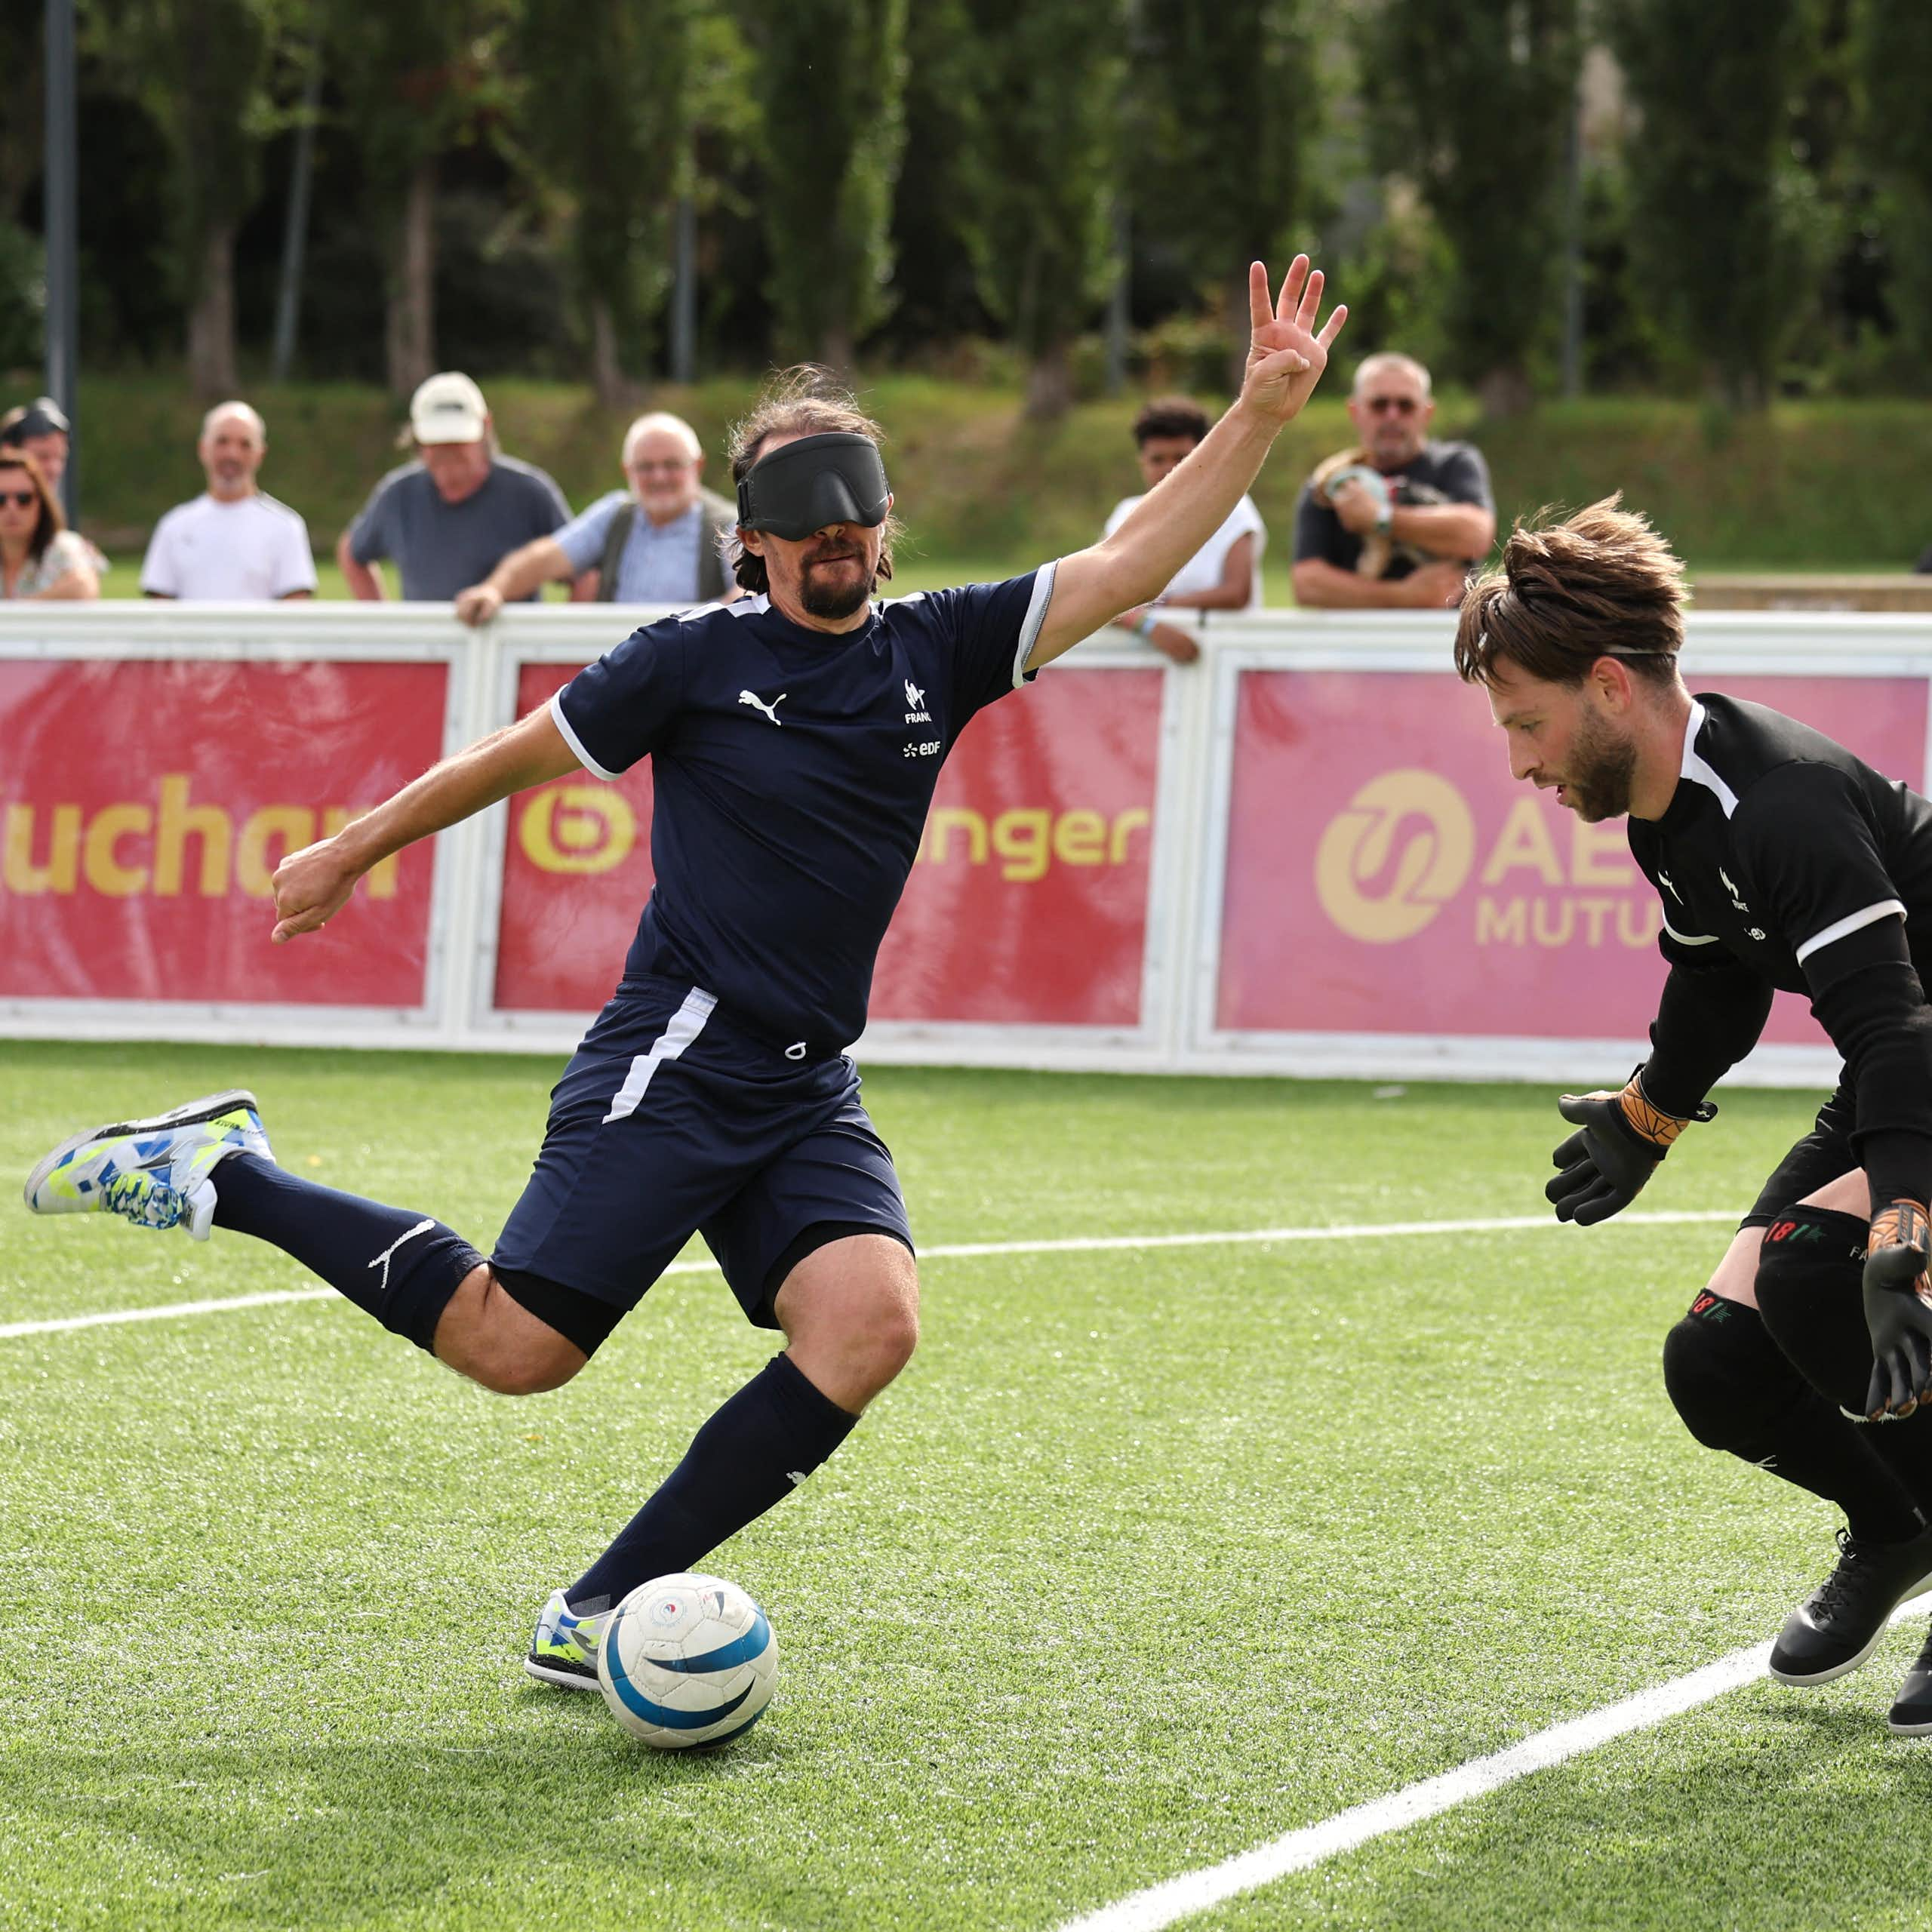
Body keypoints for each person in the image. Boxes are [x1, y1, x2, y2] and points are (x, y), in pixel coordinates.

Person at [25, 257, 1346, 1691]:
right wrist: (349, 850)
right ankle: (231, 1172)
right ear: (754, 541)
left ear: (885, 526)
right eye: (798, 507)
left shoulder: (939, 648)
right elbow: (509, 758)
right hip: (681, 1055)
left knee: (869, 1322)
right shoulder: (689, 660)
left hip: (805, 1081)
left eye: (856, 505)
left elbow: (1134, 556)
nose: (835, 531)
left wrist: (1262, 414)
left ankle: (595, 1609)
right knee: (514, 1350)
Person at [1453, 495, 1932, 1737]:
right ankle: (1898, 1530)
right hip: (1906, 1065)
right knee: (1716, 1365)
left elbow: (1892, 1030)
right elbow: (1719, 977)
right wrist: (1647, 1114)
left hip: (1912, 1059)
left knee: (1824, 1274)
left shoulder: (1782, 804)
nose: (1518, 762)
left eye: (1528, 724)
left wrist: (1905, 1221)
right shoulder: (1670, 815)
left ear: (1608, 685)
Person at [454, 412, 738, 626]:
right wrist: (494, 590)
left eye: (672, 465)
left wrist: (696, 633)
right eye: (646, 467)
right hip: (619, 670)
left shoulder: (726, 523)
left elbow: (746, 594)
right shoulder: (615, 514)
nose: (659, 477)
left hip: (692, 671)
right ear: (628, 471)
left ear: (697, 466)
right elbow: (544, 558)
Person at [337, 372, 574, 604]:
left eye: (458, 441)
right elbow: (353, 551)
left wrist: (565, 637)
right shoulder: (397, 495)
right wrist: (386, 624)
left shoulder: (529, 492)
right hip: (425, 642)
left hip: (512, 642)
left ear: (486, 427)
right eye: (436, 442)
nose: (448, 450)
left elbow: (584, 566)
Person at [1292, 351, 1494, 609]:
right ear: (1355, 411)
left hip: (1447, 644)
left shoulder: (1455, 463)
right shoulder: (1329, 482)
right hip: (1358, 645)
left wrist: (1380, 517)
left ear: (1427, 412)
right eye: (1379, 404)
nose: (1392, 416)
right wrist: (1403, 596)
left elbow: (1476, 535)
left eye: (1405, 405)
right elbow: (1307, 585)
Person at [1099, 397, 1266, 666]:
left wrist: (1156, 611)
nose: (1169, 468)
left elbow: (1236, 593)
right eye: (1157, 459)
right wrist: (1151, 628)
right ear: (1142, 461)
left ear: (1206, 455)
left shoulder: (1233, 507)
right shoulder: (1124, 516)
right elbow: (1099, 597)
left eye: (1182, 457)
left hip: (1225, 663)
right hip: (1145, 669)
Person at [140, 401, 316, 601]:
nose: (232, 454)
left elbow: (294, 613)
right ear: (203, 448)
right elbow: (160, 613)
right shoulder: (173, 526)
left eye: (245, 444)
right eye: (222, 442)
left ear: (261, 454)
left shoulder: (287, 527)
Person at [2, 395, 110, 584]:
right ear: (10, 454)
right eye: (41, 457)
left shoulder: (65, 547)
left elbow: (82, 585)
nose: (53, 469)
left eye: (59, 458)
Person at [0, 449, 98, 600]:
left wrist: (19, 614)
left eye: (23, 498)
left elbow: (83, 586)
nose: (12, 508)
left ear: (42, 503)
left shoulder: (61, 547)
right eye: (1, 499)